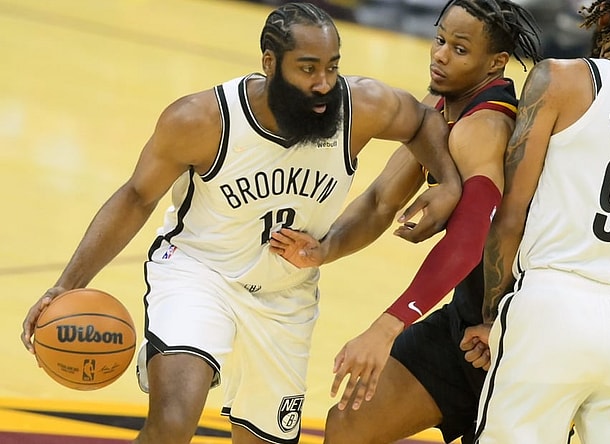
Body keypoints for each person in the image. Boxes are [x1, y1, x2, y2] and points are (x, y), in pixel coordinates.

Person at [19, 3, 463, 444]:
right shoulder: (201, 120)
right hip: (198, 272)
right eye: (307, 69)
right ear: (270, 63)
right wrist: (66, 284)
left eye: (332, 67)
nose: (324, 84)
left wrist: (445, 179)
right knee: (174, 422)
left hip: (285, 294)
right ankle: (177, 351)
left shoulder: (360, 105)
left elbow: (423, 119)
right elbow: (136, 197)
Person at [269, 1, 541, 442]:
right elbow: (381, 200)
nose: (440, 55)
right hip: (466, 325)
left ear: (496, 63)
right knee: (349, 425)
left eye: (459, 49)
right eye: (439, 41)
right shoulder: (437, 105)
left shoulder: (486, 125)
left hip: (516, 339)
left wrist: (386, 326)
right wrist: (325, 247)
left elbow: (471, 243)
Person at [464, 0, 610, 442]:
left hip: (551, 308)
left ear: (604, 17)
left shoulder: (560, 78)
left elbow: (511, 214)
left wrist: (494, 315)